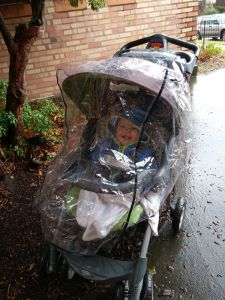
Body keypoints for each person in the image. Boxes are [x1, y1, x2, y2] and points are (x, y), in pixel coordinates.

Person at [73, 105, 158, 242]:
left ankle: (98, 228)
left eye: (134, 129)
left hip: (124, 192)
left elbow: (149, 173)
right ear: (115, 128)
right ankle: (85, 218)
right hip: (99, 185)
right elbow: (94, 161)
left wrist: (144, 186)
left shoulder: (143, 153)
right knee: (86, 189)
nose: (127, 131)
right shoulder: (105, 145)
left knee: (113, 209)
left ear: (142, 133)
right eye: (122, 127)